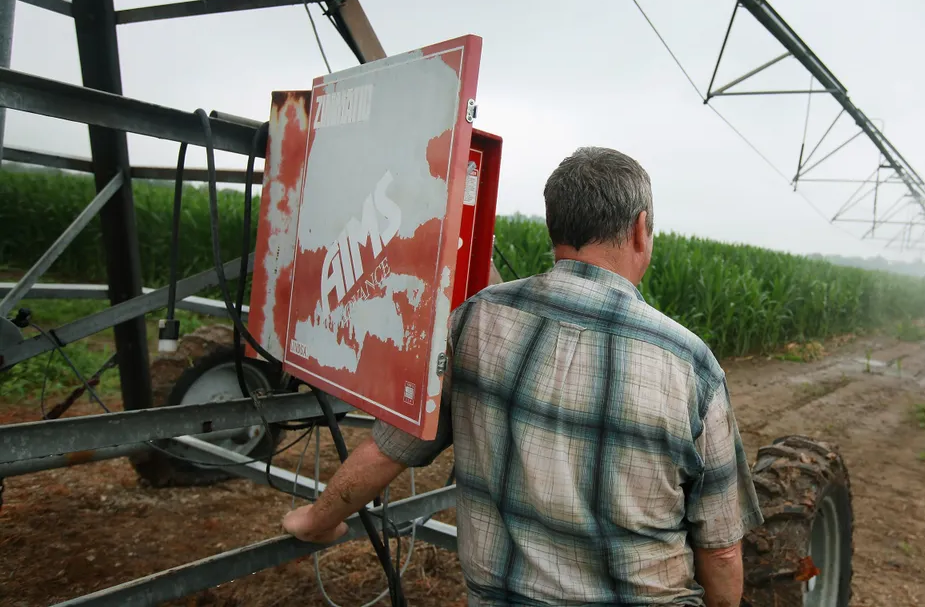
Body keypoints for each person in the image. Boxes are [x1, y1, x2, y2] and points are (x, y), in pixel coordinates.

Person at [283, 147, 762, 607]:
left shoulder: (473, 321)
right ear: (640, 230)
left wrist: (317, 519)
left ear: (555, 227)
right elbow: (720, 551)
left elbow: (390, 448)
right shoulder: (690, 364)